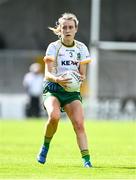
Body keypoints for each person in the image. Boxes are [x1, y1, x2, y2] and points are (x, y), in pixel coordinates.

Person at [37, 13, 92, 167]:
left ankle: (87, 160)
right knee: (54, 117)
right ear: (59, 29)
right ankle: (45, 147)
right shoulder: (53, 47)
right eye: (64, 27)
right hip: (53, 87)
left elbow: (83, 74)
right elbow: (47, 74)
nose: (67, 30)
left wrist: (80, 79)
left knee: (79, 124)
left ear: (76, 29)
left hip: (71, 91)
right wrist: (57, 79)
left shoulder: (82, 48)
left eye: (71, 27)